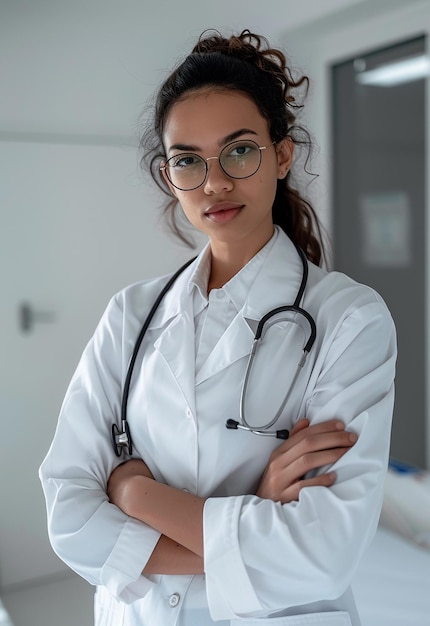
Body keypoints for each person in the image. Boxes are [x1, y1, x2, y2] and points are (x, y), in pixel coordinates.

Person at [39, 29, 396, 626]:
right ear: (167, 174)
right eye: (188, 161)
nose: (214, 182)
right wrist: (252, 515)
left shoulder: (349, 319)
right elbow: (69, 516)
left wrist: (134, 495)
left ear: (281, 155)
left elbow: (322, 554)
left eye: (239, 150)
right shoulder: (130, 315)